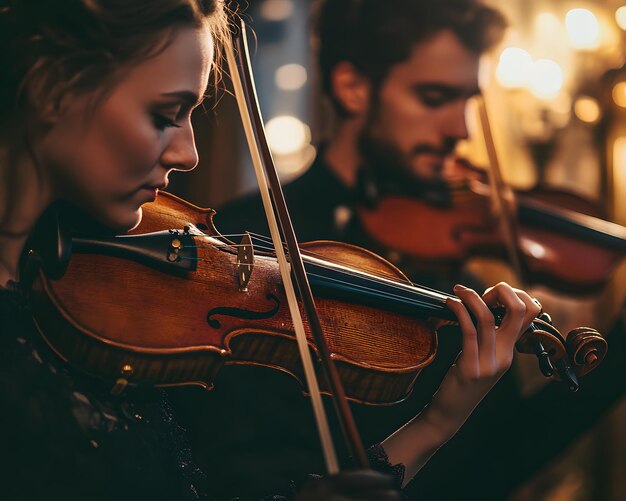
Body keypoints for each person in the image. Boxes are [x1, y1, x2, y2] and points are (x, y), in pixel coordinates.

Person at [0, 0, 541, 499]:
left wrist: (436, 424)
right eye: (165, 114)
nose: (189, 153)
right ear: (52, 91)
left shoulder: (83, 288)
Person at [212, 1, 626, 499]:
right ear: (353, 88)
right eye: (435, 97)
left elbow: (498, 462)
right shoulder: (245, 246)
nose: (462, 130)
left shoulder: (450, 268)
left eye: (468, 101)